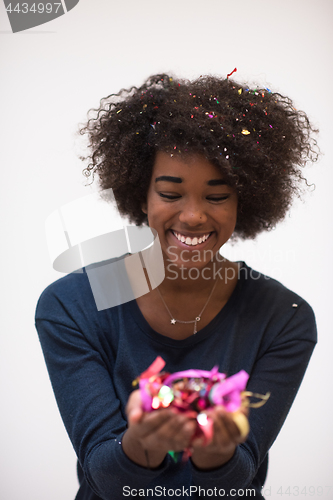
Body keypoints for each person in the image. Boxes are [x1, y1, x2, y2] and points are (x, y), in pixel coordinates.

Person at [35, 73, 319, 499]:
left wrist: (216, 452)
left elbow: (237, 479)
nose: (192, 217)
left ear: (246, 200)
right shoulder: (76, 304)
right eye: (170, 193)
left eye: (217, 197)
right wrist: (141, 445)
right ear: (142, 195)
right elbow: (107, 478)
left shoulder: (282, 318)